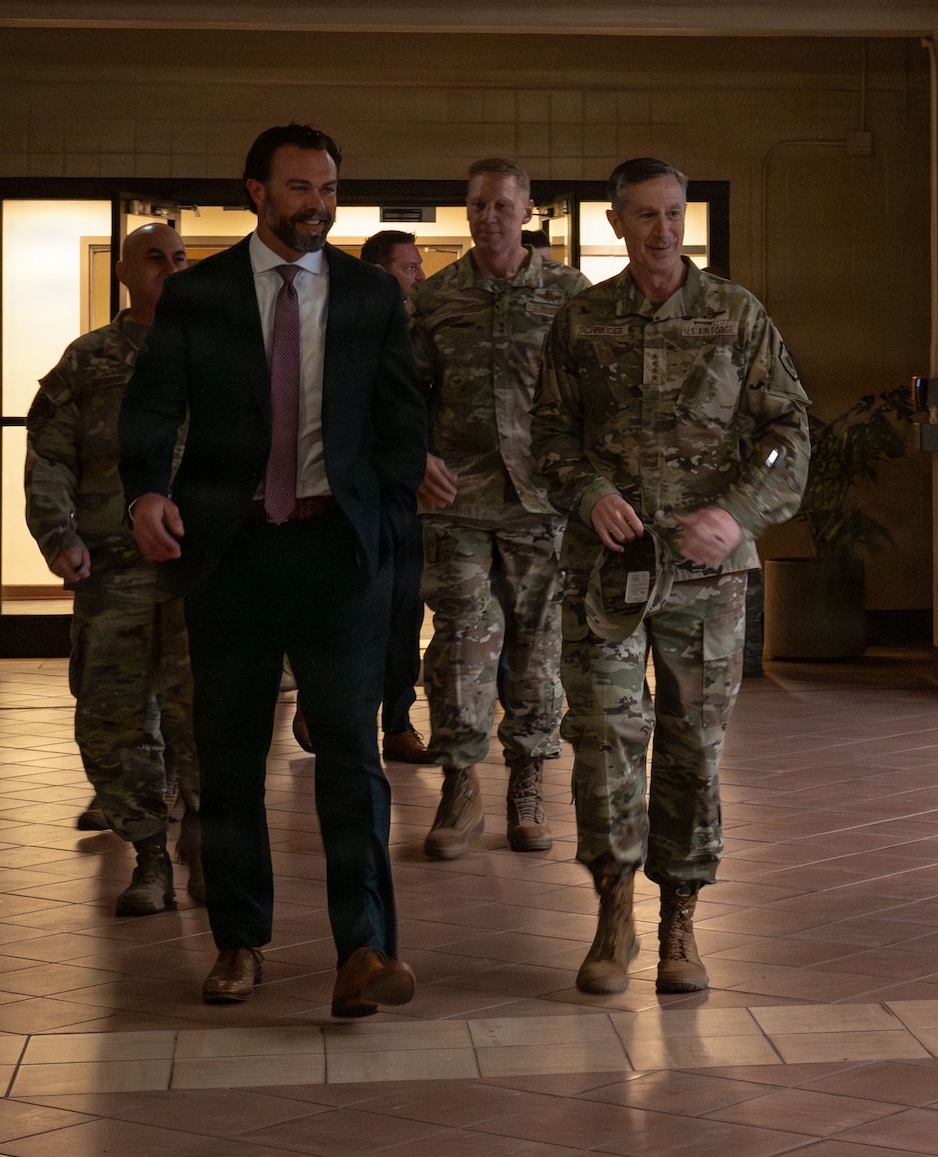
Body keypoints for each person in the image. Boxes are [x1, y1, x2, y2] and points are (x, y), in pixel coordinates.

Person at [119, 124, 428, 1017]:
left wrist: (388, 514)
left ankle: (364, 949)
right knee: (230, 760)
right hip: (233, 553)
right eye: (298, 188)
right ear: (255, 191)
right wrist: (146, 493)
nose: (316, 205)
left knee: (352, 756)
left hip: (339, 554)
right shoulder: (202, 294)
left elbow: (403, 422)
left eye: (327, 189)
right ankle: (239, 942)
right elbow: (151, 408)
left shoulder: (371, 295)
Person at [531, 157, 809, 997]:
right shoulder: (581, 322)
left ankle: (681, 919)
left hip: (706, 577)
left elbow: (789, 431)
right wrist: (588, 492)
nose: (662, 230)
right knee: (606, 742)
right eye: (645, 216)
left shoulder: (734, 314)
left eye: (674, 213)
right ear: (617, 224)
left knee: (692, 745)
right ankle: (613, 913)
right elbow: (547, 437)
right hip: (608, 575)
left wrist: (741, 513)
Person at [411, 159, 588, 859]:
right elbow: (406, 394)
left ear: (527, 209)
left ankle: (528, 781)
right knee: (461, 640)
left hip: (542, 501)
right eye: (478, 205)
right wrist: (412, 462)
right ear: (466, 211)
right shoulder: (434, 299)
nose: (490, 217)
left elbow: (589, 397)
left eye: (502, 205)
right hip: (457, 498)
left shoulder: (569, 295)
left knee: (537, 642)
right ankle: (460, 783)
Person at [26, 222, 204, 916]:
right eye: (155, 258)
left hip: (200, 569)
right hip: (112, 569)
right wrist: (58, 534)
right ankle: (149, 856)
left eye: (181, 259)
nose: (170, 268)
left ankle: (209, 845)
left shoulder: (212, 353)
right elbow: (48, 454)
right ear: (125, 272)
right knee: (114, 719)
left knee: (205, 718)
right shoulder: (88, 360)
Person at [293, 227, 433, 765]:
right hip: (349, 499)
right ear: (379, 273)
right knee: (339, 613)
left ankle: (396, 723)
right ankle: (315, 705)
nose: (419, 277)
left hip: (406, 501)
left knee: (404, 616)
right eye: (409, 268)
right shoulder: (342, 327)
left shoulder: (425, 327)